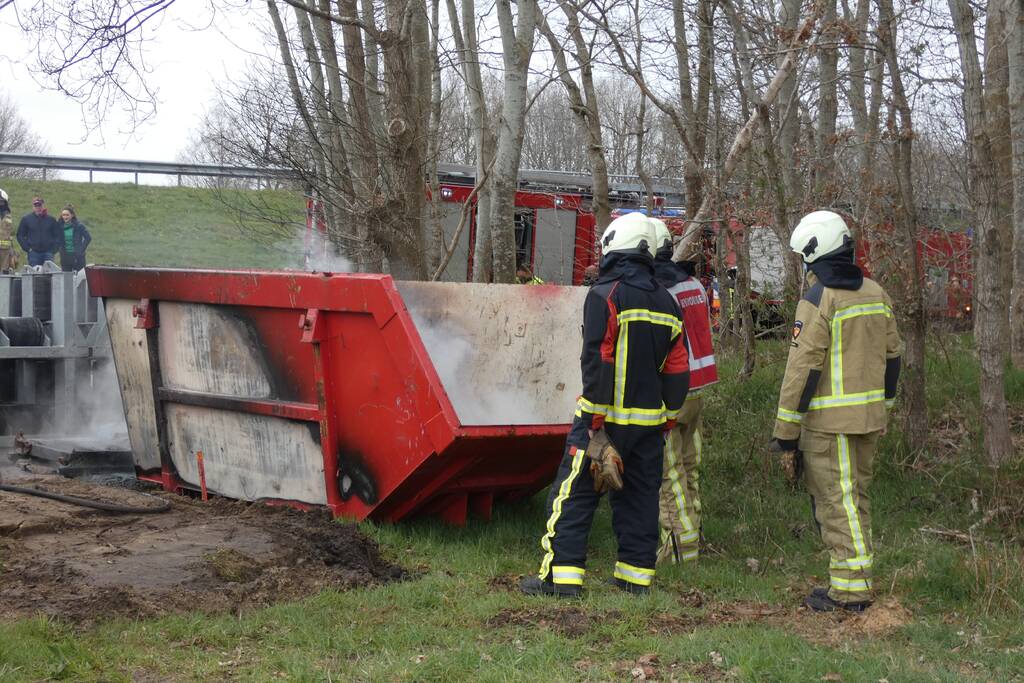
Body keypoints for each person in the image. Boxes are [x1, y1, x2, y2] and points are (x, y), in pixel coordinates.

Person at [519, 213, 690, 598]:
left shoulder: (604, 295)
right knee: (640, 501)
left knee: (573, 495)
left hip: (604, 420)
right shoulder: (668, 302)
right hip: (648, 427)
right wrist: (668, 417)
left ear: (614, 245)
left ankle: (559, 580)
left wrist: (595, 424)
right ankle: (635, 579)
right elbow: (678, 369)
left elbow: (599, 359)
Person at [771, 210, 902, 613]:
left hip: (830, 426)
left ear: (815, 253)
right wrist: (885, 407)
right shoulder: (876, 293)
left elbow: (801, 371)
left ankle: (851, 590)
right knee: (855, 499)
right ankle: (852, 577)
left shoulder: (818, 299)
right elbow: (894, 356)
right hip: (868, 420)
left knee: (836, 503)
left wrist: (785, 433)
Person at [650, 219, 718, 565]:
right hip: (699, 387)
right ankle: (695, 532)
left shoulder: (660, 292)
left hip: (674, 391)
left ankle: (679, 550)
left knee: (669, 472)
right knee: (690, 467)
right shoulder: (692, 283)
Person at [16, 196, 61, 267]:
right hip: (33, 253)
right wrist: (28, 249)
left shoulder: (51, 220)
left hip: (48, 253)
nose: (38, 208)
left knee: (49, 274)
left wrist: (53, 250)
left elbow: (58, 236)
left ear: (43, 206)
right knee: (35, 275)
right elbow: (20, 235)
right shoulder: (26, 219)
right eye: (36, 205)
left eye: (40, 205)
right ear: (33, 206)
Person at [56, 204, 92, 272]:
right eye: (63, 215)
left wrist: (81, 250)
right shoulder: (59, 226)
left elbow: (88, 238)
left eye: (67, 215)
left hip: (78, 257)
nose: (65, 217)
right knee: (67, 279)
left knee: (80, 278)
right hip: (65, 257)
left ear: (72, 215)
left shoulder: (79, 226)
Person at [0, 189, 16, 273]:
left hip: (6, 251)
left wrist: (12, 251)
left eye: (2, 201)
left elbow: (11, 234)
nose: (0, 203)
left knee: (5, 274)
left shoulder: (8, 216)